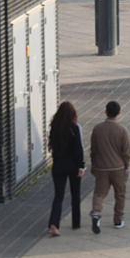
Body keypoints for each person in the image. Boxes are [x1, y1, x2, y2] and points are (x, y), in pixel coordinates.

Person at [90, 100, 130, 233]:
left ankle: (96, 212)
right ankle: (118, 220)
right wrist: (126, 166)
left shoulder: (97, 129)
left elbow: (93, 150)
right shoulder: (122, 130)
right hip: (118, 167)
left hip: (101, 167)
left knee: (99, 193)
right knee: (120, 194)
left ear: (106, 112)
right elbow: (126, 152)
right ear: (118, 113)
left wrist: (94, 164)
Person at [47, 101, 85, 236]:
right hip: (73, 166)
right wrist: (82, 166)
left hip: (58, 166)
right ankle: (76, 222)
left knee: (58, 196)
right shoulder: (74, 129)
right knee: (75, 194)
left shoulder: (54, 128)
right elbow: (78, 149)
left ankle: (54, 224)